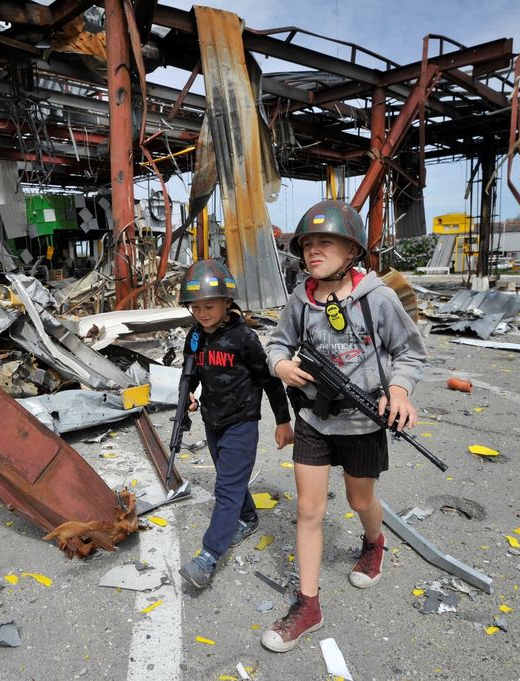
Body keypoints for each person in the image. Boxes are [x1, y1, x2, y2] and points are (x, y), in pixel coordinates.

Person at [260, 200, 426, 652]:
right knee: (308, 510)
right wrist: (280, 366)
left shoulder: (378, 297)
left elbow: (410, 352)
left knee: (360, 499)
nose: (313, 251)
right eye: (308, 244)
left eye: (325, 242)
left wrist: (400, 391)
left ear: (352, 248)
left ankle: (374, 542)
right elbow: (278, 342)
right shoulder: (302, 296)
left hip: (363, 422)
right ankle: (308, 604)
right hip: (314, 419)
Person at [177, 259, 294, 590]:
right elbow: (191, 375)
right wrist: (188, 398)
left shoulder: (244, 339)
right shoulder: (195, 337)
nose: (202, 312)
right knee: (231, 479)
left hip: (242, 422)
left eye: (209, 305)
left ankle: (208, 557)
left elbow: (270, 381)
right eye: (195, 307)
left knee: (225, 488)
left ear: (228, 302)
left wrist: (283, 420)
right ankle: (248, 517)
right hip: (212, 421)